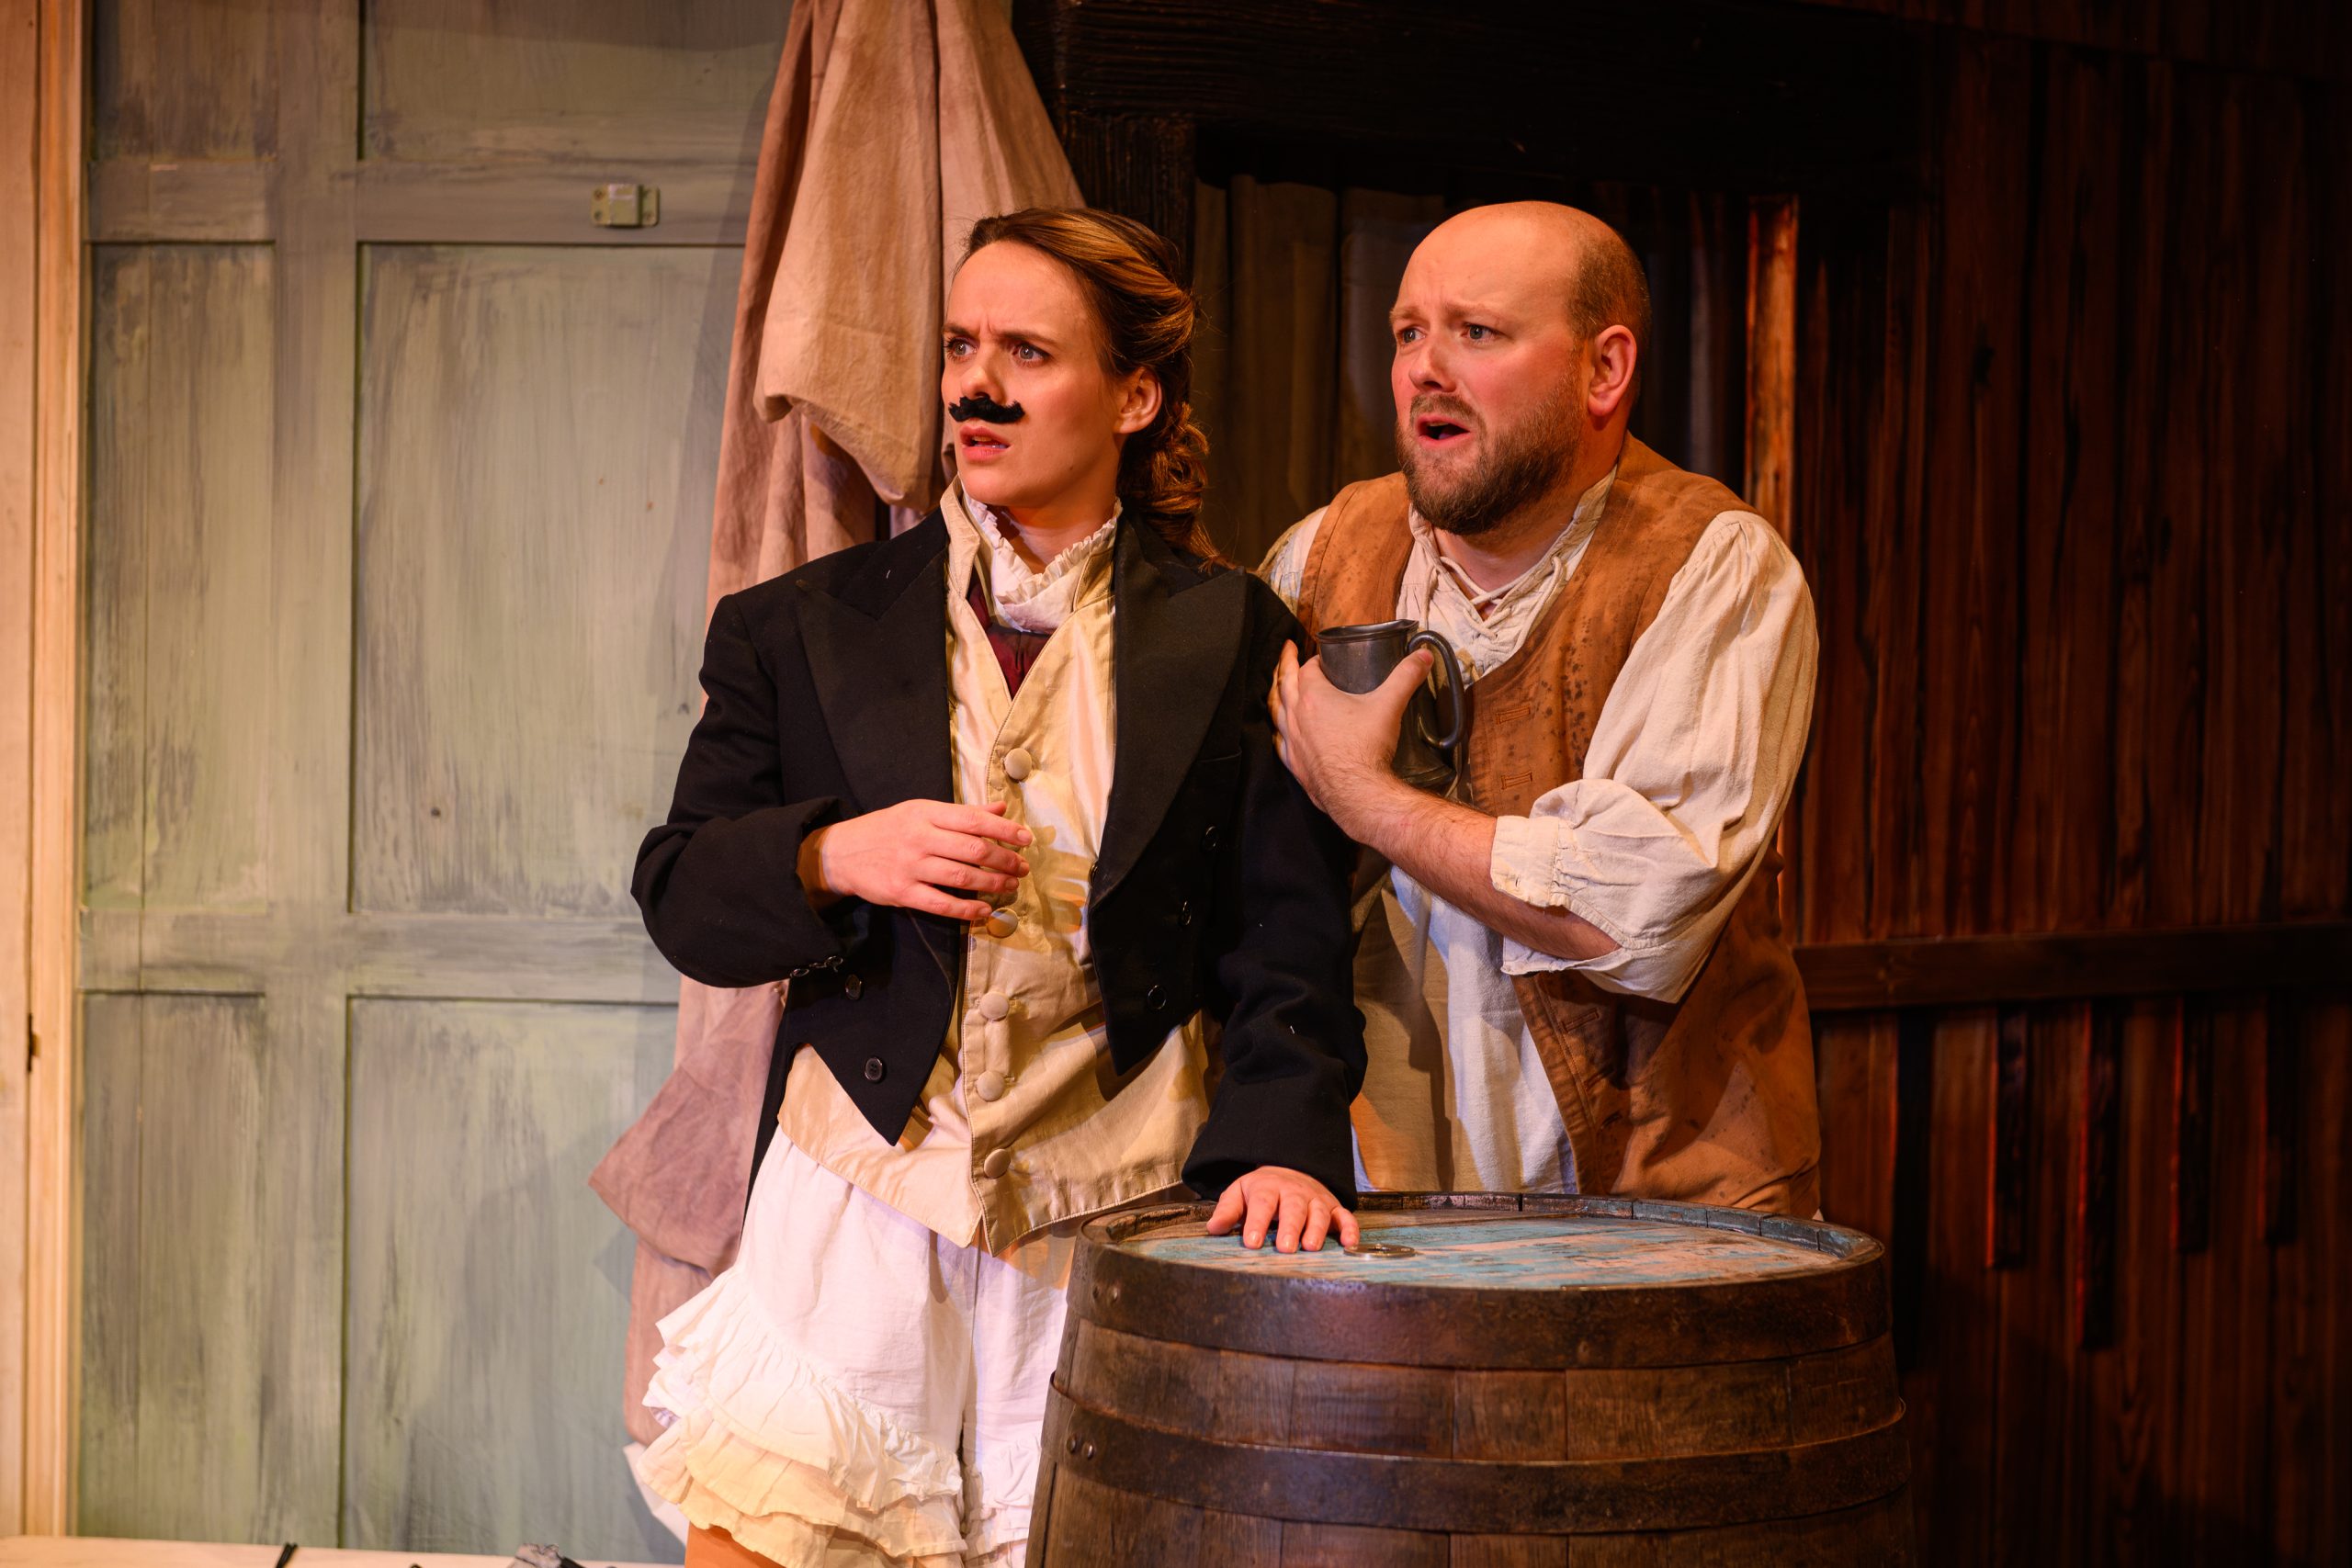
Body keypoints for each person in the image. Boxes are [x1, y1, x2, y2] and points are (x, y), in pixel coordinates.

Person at [630, 208, 1365, 1568]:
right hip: (860, 1189)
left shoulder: (1228, 632)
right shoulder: (802, 624)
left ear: (1134, 397)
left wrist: (1281, 1138)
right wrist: (830, 855)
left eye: (1027, 352)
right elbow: (680, 889)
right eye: (962, 346)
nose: (976, 384)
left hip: (1113, 1198)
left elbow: (1287, 933)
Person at [1263, 200, 1820, 1215]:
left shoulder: (1710, 564)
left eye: (1476, 332)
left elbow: (1633, 916)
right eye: (1407, 333)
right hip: (1371, 1217)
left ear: (1605, 369)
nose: (1424, 369)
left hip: (1651, 1223)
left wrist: (1367, 798)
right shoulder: (1323, 552)